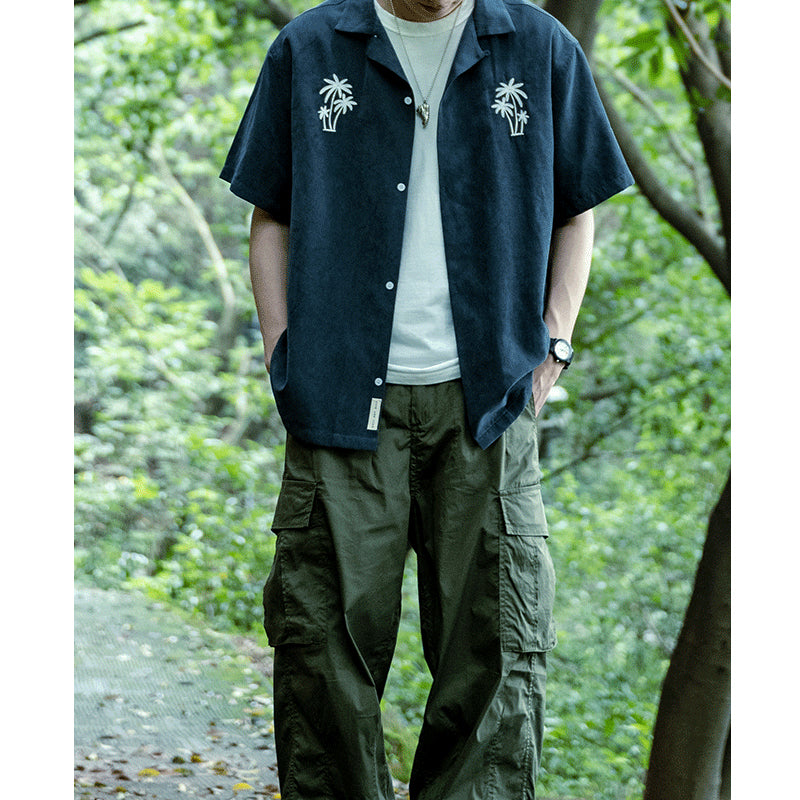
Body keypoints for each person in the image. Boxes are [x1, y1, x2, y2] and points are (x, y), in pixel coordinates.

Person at [220, 0, 633, 796]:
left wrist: (553, 347)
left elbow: (576, 209)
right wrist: (281, 352)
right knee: (321, 662)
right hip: (338, 406)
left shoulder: (538, 46)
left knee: (497, 660)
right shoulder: (309, 48)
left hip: (488, 409)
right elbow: (270, 212)